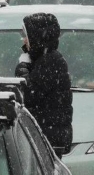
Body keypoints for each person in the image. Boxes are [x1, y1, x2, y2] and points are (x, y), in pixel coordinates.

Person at [15, 13, 73, 155]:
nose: (24, 41)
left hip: (47, 140)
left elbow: (29, 95)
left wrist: (22, 68)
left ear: (37, 38)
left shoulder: (50, 62)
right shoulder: (43, 59)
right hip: (45, 137)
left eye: (27, 37)